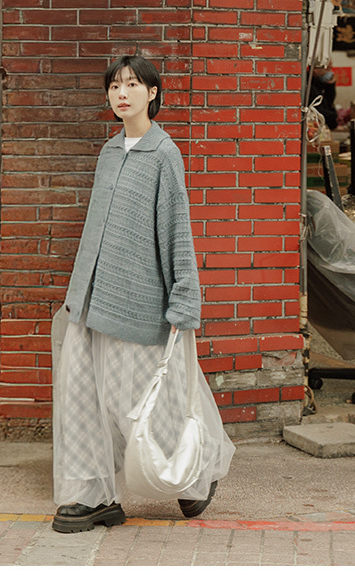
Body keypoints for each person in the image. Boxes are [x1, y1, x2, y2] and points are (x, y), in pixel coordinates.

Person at [51, 54, 235, 534]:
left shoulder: (164, 154)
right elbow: (95, 230)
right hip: (91, 301)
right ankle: (94, 498)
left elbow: (177, 231)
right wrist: (77, 297)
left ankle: (195, 476)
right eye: (114, 86)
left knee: (146, 400)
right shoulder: (109, 153)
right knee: (81, 399)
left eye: (132, 84)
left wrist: (183, 301)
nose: (122, 94)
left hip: (141, 305)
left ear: (153, 93)